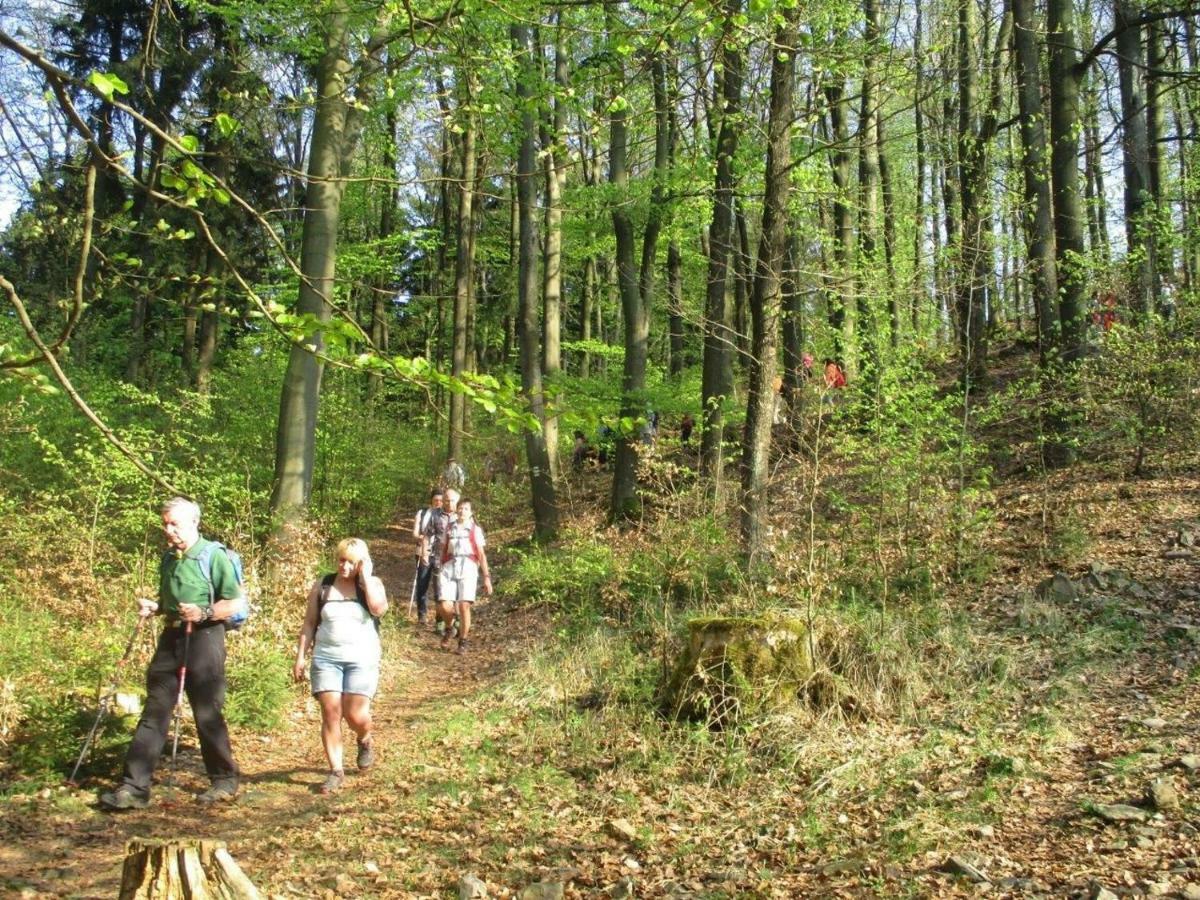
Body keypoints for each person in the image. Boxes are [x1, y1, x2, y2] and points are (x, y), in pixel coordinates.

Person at [99, 497, 244, 810]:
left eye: (174, 523)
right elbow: (171, 602)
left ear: (193, 522)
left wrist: (204, 612)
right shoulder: (169, 558)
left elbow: (234, 603)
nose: (168, 529)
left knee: (207, 711)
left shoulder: (213, 556)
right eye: (165, 523)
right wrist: (155, 607)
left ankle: (224, 780)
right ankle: (134, 788)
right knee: (154, 711)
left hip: (205, 638)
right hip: (172, 636)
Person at [292, 538, 388, 794]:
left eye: (352, 562)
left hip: (362, 658)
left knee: (355, 715)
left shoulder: (372, 584)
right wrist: (301, 656)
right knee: (331, 712)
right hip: (326, 659)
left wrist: (365, 578)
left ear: (362, 564)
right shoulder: (323, 585)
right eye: (342, 560)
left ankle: (364, 738)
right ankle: (335, 771)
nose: (345, 566)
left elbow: (379, 609)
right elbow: (310, 624)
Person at [437, 498, 493, 654]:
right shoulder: (449, 528)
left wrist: (486, 577)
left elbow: (481, 555)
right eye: (460, 508)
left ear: (471, 512)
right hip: (449, 566)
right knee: (444, 605)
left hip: (468, 567)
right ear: (456, 510)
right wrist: (440, 565)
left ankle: (463, 640)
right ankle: (450, 627)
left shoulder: (475, 530)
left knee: (463, 606)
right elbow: (443, 548)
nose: (462, 511)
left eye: (466, 509)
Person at [422, 487, 458, 637]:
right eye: (446, 500)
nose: (449, 503)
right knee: (439, 593)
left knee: (457, 592)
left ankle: (456, 620)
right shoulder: (435, 515)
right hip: (438, 559)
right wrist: (424, 552)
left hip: (458, 561)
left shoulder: (462, 515)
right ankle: (440, 621)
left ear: (457, 501)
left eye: (452, 500)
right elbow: (426, 535)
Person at [411, 489, 444, 625]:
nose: (438, 503)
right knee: (422, 584)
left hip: (439, 555)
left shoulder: (445, 515)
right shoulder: (422, 513)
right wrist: (422, 537)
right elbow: (414, 533)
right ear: (431, 500)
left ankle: (440, 619)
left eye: (441, 500)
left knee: (440, 587)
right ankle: (422, 615)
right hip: (422, 552)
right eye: (436, 500)